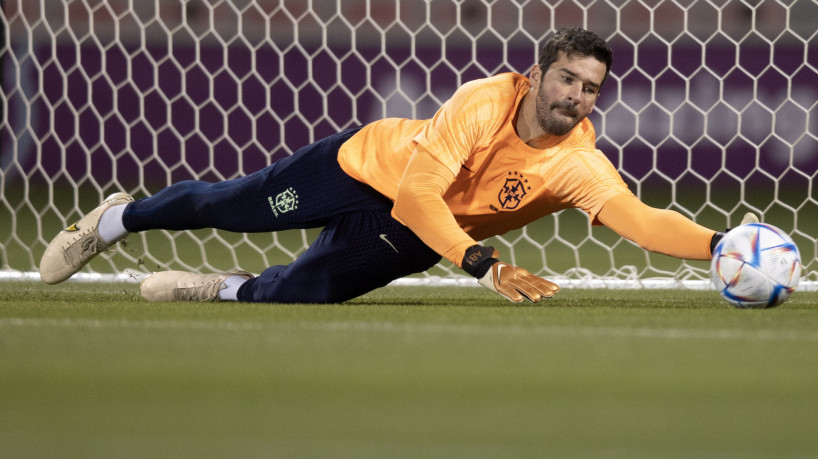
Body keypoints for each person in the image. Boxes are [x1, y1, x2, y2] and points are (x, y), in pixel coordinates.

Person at [39, 27, 743, 304]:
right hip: (361, 168)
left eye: (589, 88)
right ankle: (115, 217)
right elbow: (416, 196)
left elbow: (642, 222)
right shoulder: (482, 101)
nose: (575, 96)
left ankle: (219, 290)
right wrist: (481, 264)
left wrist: (720, 248)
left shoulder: (577, 161)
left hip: (419, 230)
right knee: (230, 206)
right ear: (536, 74)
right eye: (566, 79)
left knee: (303, 294)